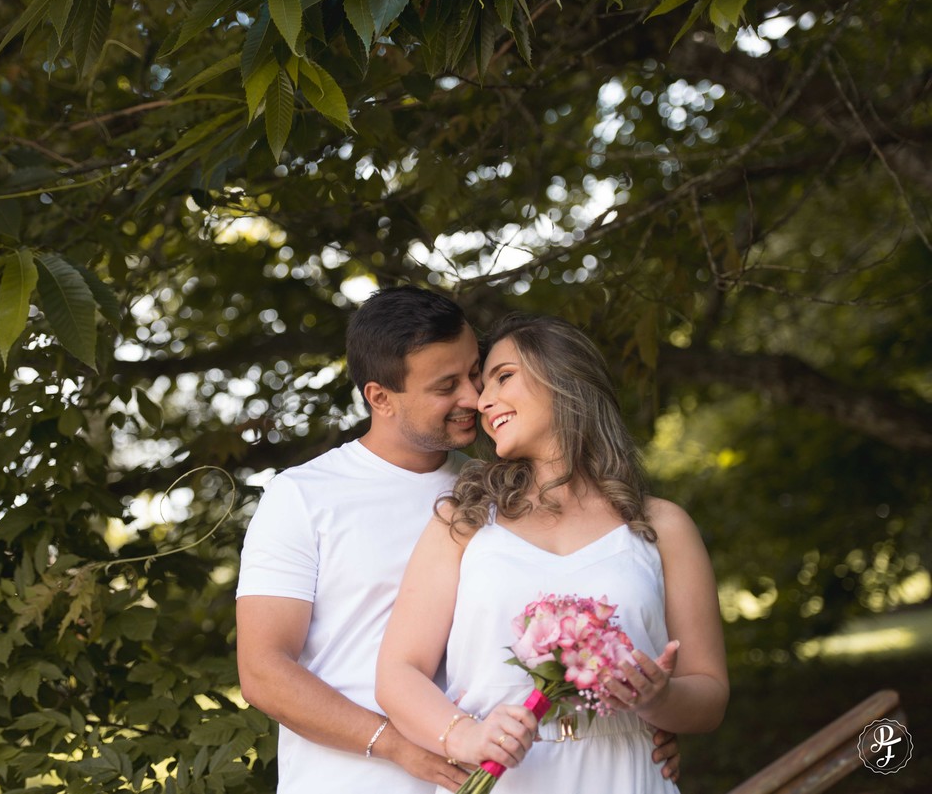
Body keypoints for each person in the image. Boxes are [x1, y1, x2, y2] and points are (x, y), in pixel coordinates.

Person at [236, 288, 682, 793]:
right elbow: (264, 671)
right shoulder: (304, 495)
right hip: (354, 779)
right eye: (447, 385)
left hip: (501, 777)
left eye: (477, 372)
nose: (474, 398)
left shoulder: (499, 496)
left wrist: (640, 717)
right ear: (381, 398)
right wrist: (400, 747)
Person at [376, 313, 728, 793]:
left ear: (564, 380)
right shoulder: (464, 522)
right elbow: (398, 673)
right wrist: (467, 736)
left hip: (625, 775)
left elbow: (709, 693)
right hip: (506, 779)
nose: (482, 401)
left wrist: (658, 700)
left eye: (502, 377)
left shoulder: (662, 527)